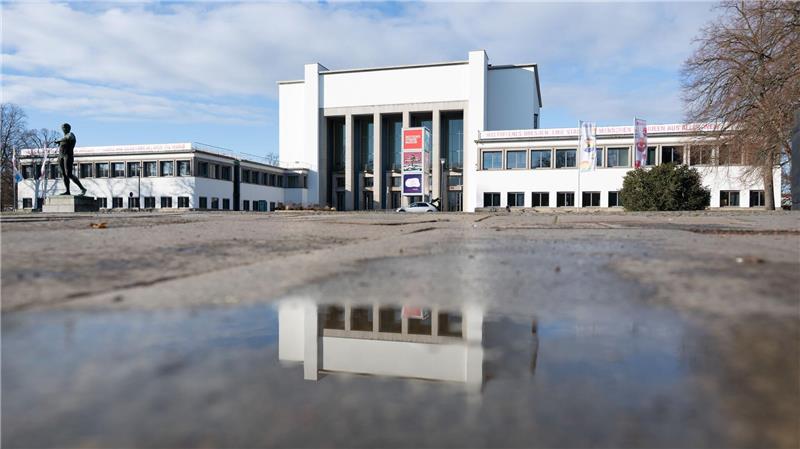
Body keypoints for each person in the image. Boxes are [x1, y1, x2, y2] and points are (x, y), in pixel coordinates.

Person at [54, 123, 87, 196]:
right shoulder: (63, 137)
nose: (64, 129)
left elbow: (68, 138)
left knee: (68, 174)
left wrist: (59, 140)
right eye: (63, 128)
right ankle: (67, 191)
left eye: (65, 128)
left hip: (68, 156)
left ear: (68, 128)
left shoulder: (70, 134)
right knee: (63, 174)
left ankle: (82, 188)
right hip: (61, 156)